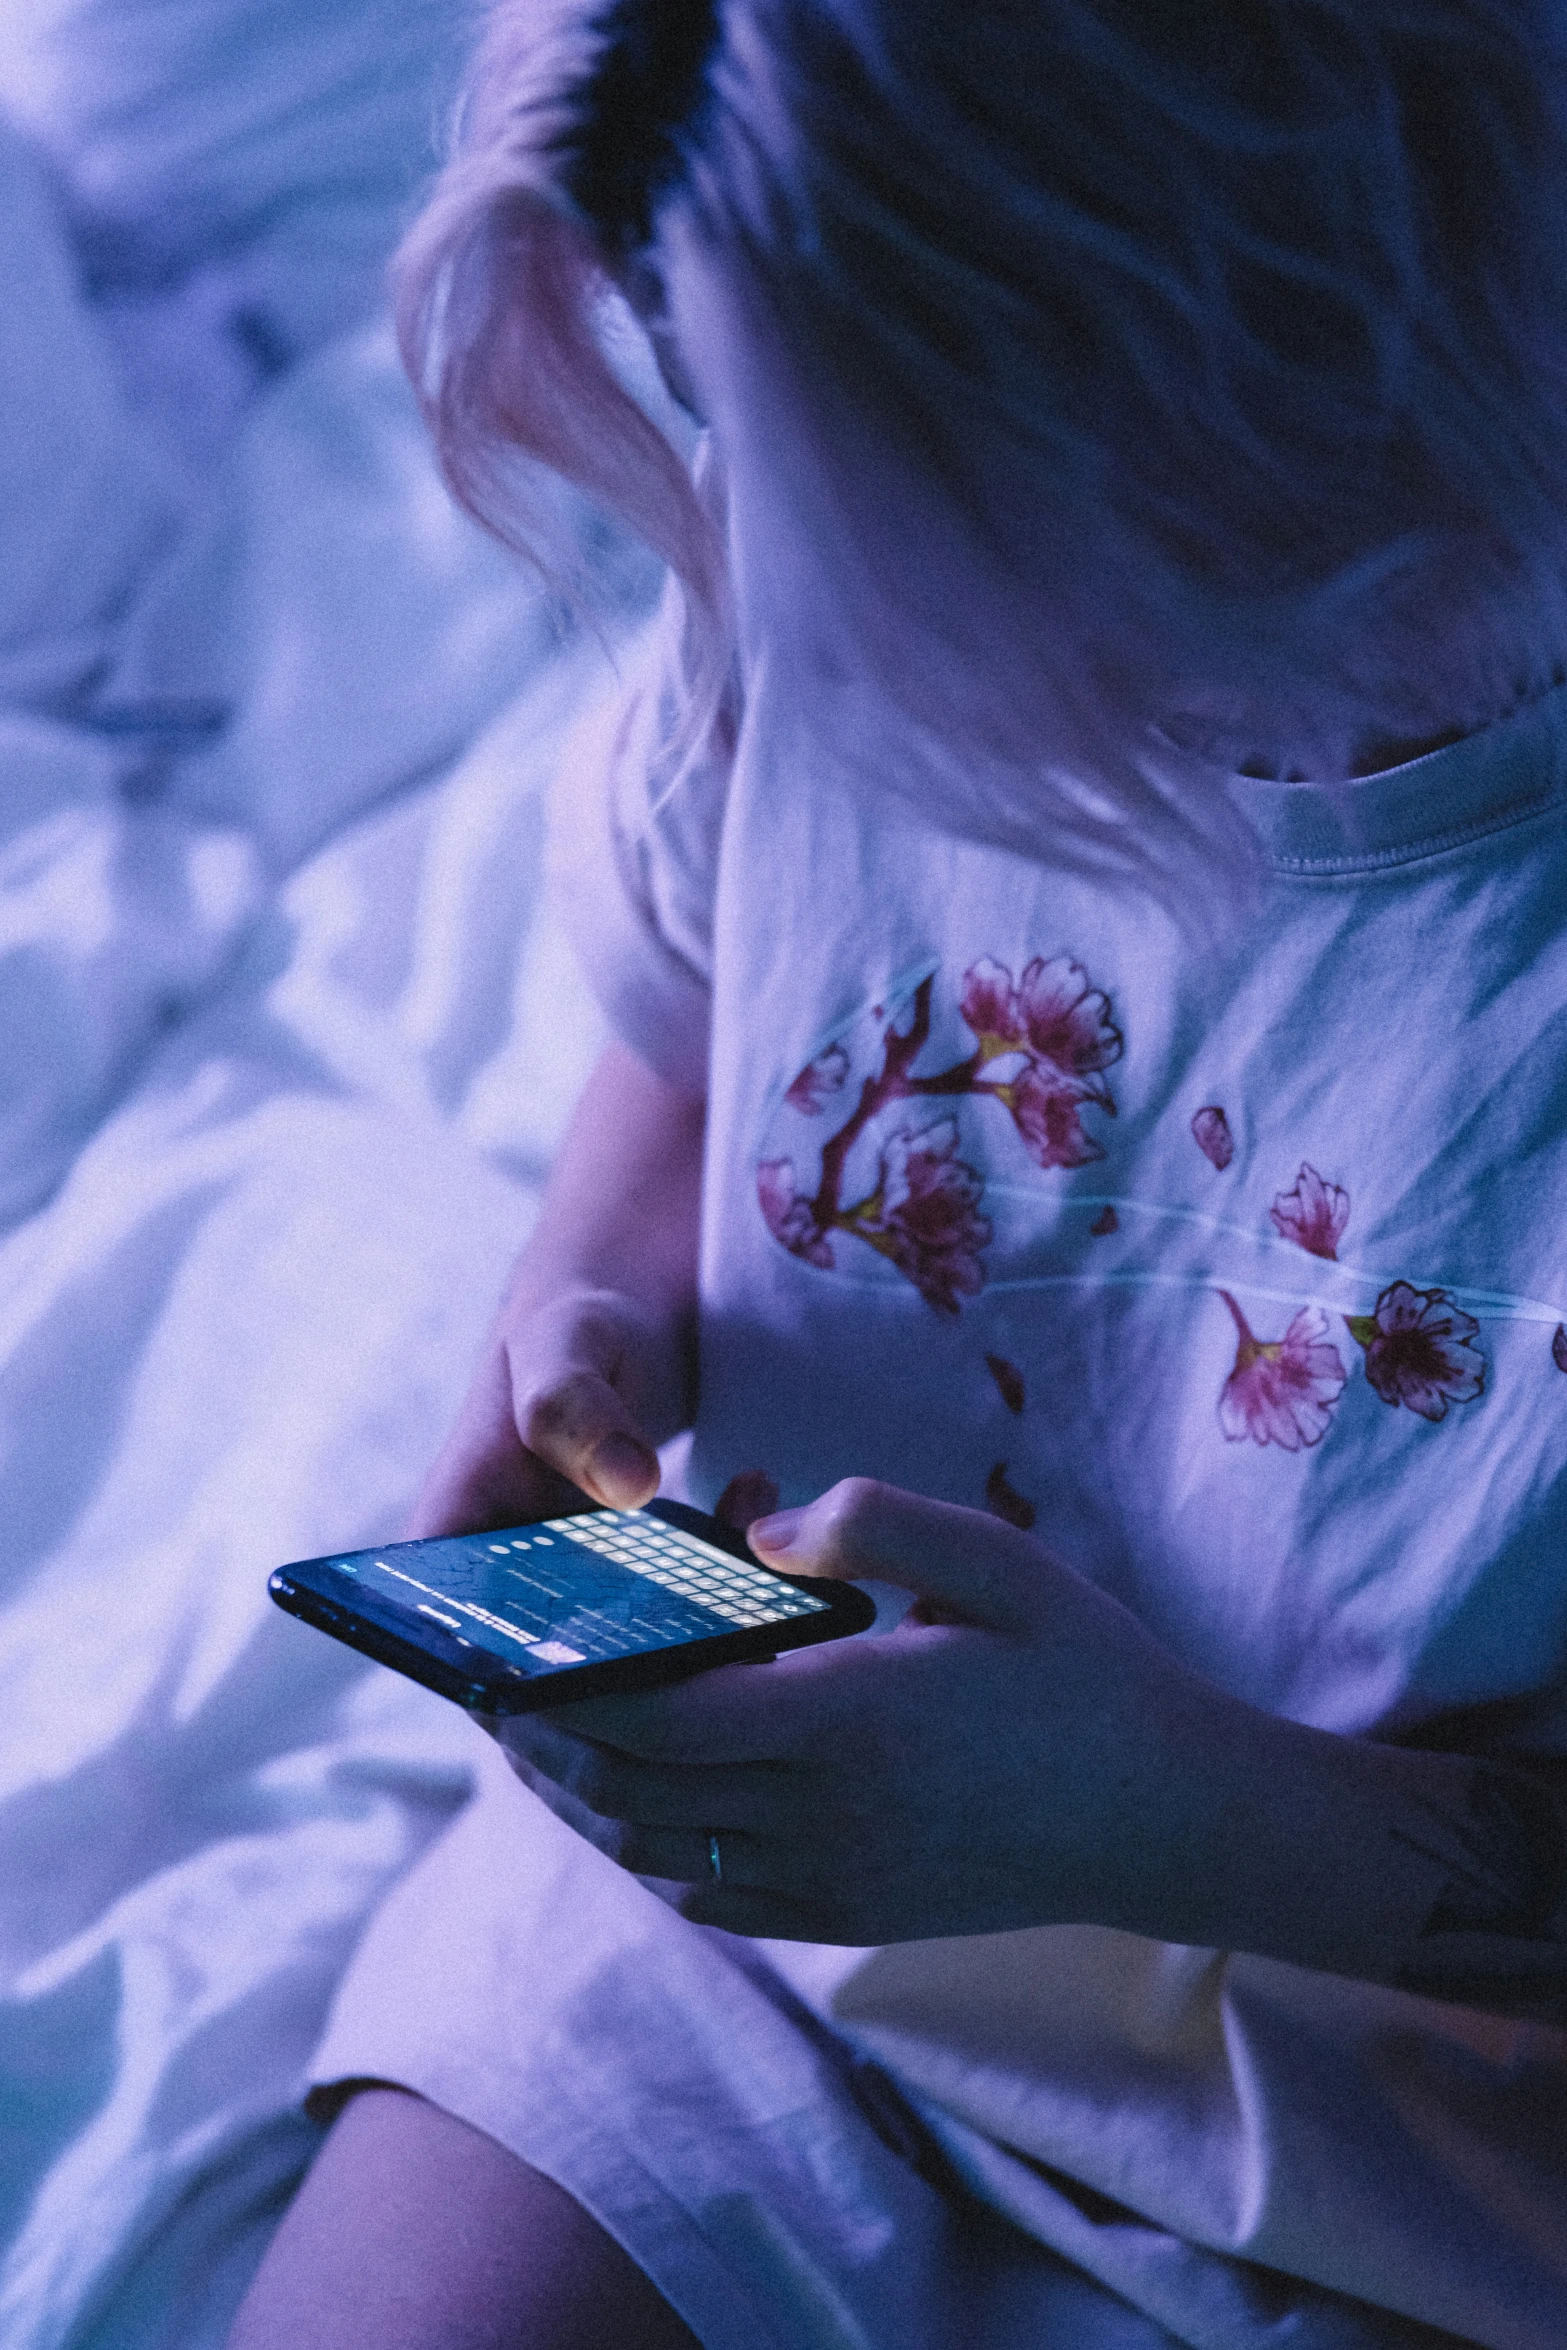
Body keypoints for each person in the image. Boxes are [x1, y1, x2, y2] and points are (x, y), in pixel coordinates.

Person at [228, 4, 1567, 2344]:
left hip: (1437, 2131)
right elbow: (694, 1009)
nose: (750, 561)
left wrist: (1182, 1816)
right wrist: (585, 1307)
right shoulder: (826, 482)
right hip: (752, 1906)